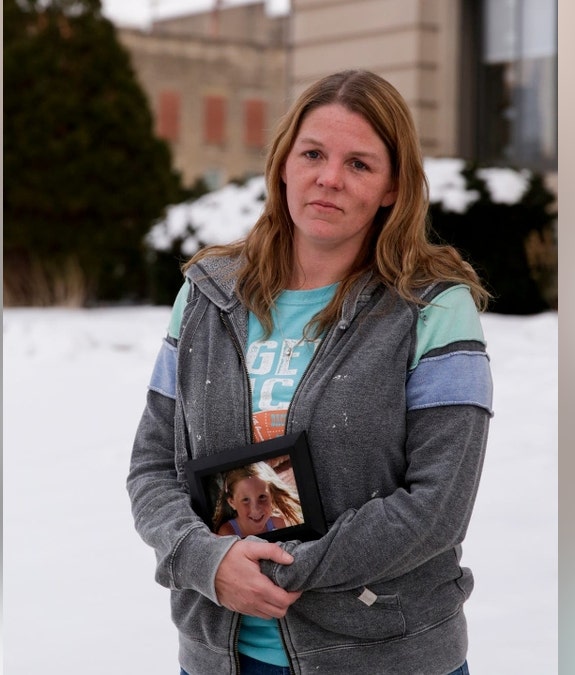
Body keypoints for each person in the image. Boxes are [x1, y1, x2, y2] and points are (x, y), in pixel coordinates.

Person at [127, 69, 493, 675]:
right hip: (223, 656)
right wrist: (206, 562)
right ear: (283, 165)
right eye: (314, 153)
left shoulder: (433, 308)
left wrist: (273, 569)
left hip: (384, 657)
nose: (329, 178)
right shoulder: (206, 296)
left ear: (392, 188)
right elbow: (152, 466)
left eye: (359, 164)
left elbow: (438, 505)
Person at [213, 462, 304, 538]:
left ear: (271, 496)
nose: (255, 509)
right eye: (245, 500)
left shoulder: (279, 524)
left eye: (262, 497)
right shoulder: (228, 533)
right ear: (232, 503)